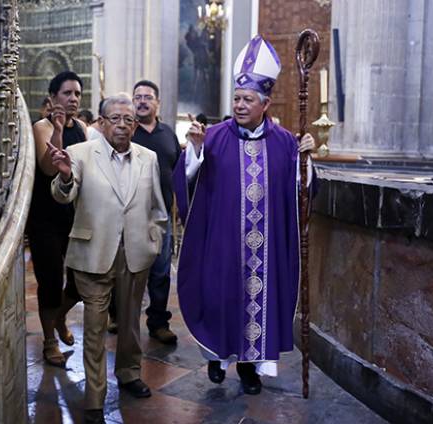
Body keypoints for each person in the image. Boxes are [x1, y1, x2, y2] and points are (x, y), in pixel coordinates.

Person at [173, 35, 316, 396]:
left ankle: (250, 368)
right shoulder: (215, 136)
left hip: (264, 249)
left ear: (265, 103)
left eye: (247, 99)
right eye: (236, 98)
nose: (239, 105)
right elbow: (188, 178)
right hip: (222, 242)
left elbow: (299, 191)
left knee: (257, 301)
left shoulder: (284, 142)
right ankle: (217, 358)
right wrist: (194, 150)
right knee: (221, 299)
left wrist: (306, 161)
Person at [49, 94, 168, 424]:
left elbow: (158, 209)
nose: (122, 125)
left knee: (130, 323)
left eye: (128, 120)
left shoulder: (148, 157)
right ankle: (94, 397)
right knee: (95, 327)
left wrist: (152, 243)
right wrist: (64, 176)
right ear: (101, 123)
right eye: (114, 119)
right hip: (93, 252)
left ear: (135, 124)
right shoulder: (80, 154)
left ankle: (129, 375)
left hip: (135, 254)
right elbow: (63, 195)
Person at [28, 71, 86, 367]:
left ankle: (61, 315)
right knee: (50, 282)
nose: (73, 98)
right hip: (44, 217)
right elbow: (49, 169)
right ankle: (50, 341)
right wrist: (58, 130)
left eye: (77, 93)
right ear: (52, 98)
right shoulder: (41, 126)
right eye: (67, 93)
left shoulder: (84, 128)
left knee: (79, 282)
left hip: (73, 216)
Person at [131, 80, 182, 344]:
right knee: (128, 272)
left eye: (147, 97)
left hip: (161, 217)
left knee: (161, 272)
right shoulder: (126, 132)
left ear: (157, 103)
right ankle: (121, 319)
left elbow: (179, 171)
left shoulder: (167, 134)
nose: (141, 101)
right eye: (137, 96)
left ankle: (159, 322)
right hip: (131, 216)